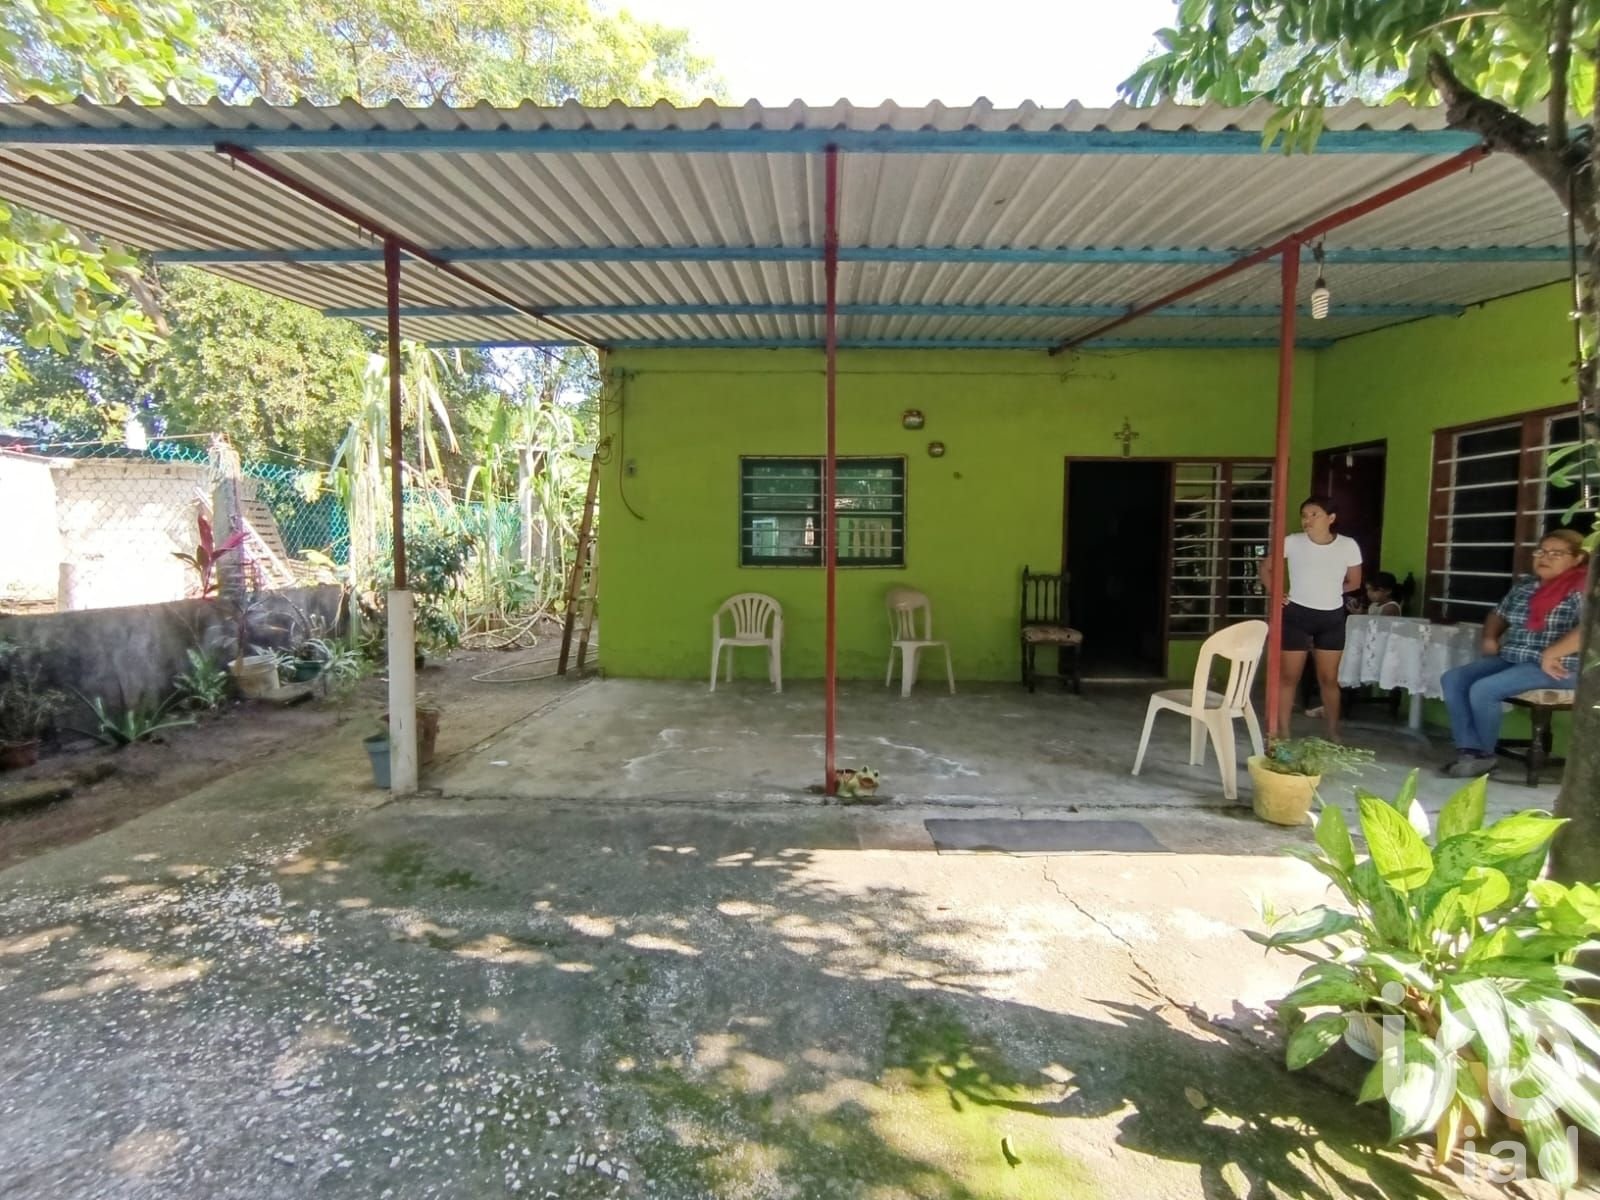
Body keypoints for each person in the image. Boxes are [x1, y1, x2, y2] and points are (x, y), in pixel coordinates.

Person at [1439, 529, 1590, 779]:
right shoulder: (1527, 585)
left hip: (1561, 666)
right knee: (1453, 679)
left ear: (1577, 558)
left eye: (1556, 553)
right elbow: (1499, 614)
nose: (1545, 557)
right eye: (1541, 551)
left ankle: (1484, 756)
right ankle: (1470, 750)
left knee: (1485, 689)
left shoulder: (1581, 588)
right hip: (1515, 657)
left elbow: (1590, 628)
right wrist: (1490, 637)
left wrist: (1552, 653)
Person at [1279, 496, 1363, 739]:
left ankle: (1333, 733)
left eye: (1314, 514)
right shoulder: (1292, 542)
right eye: (1304, 515)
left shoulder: (1348, 545)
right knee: (1289, 678)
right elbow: (1266, 567)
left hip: (1331, 618)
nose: (1307, 520)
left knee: (1329, 679)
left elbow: (1354, 581)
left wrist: (1328, 589)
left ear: (1331, 518)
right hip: (1296, 614)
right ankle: (1282, 732)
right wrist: (1276, 593)